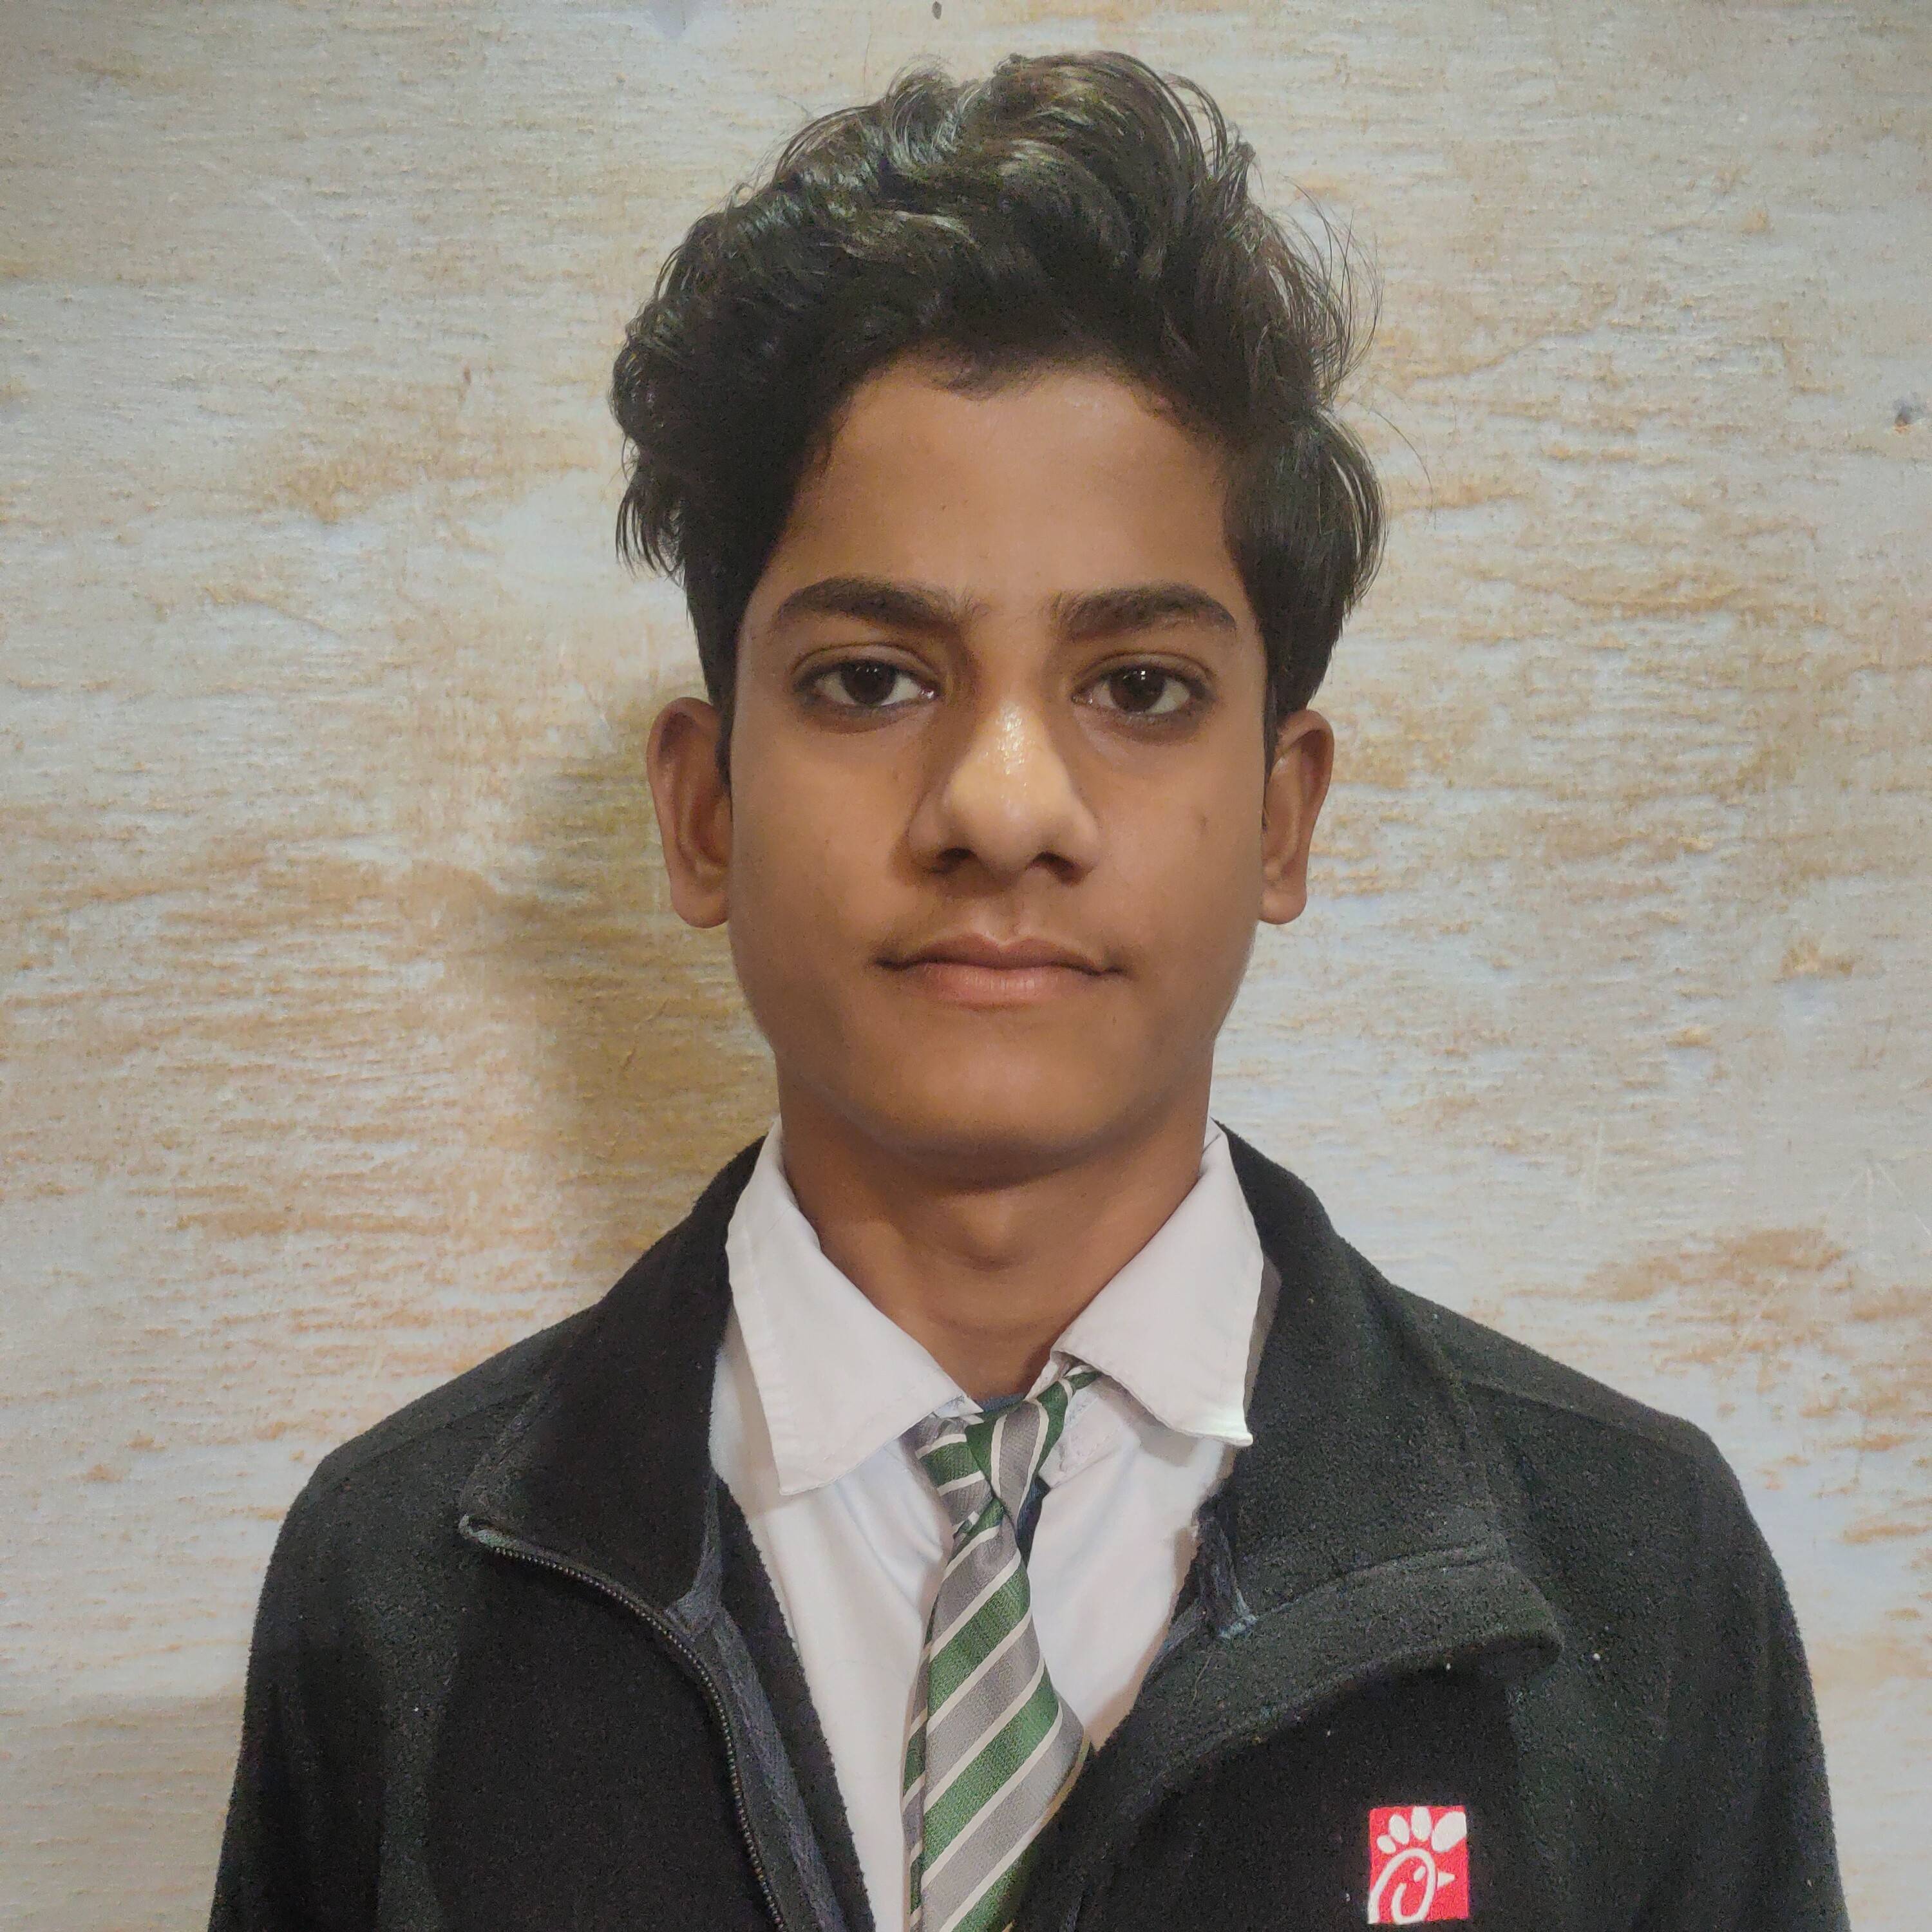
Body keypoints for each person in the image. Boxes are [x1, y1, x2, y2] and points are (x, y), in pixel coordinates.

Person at [211, 51, 1846, 1932]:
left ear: (1284, 814)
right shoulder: (395, 1597)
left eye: (1138, 688)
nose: (1002, 805)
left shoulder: (1635, 1582)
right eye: (871, 679)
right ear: (705, 807)